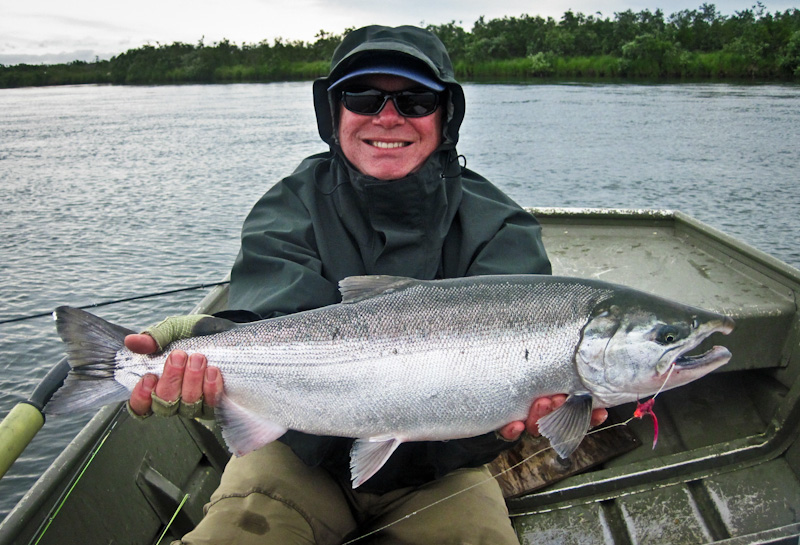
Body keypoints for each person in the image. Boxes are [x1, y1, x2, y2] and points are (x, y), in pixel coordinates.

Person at [125, 25, 607, 544]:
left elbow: (505, 398)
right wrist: (201, 342)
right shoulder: (289, 207)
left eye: (415, 100)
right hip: (294, 455)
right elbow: (268, 326)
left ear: (446, 115)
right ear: (334, 112)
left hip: (442, 472)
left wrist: (517, 424)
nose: (388, 117)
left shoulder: (500, 227)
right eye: (362, 97)